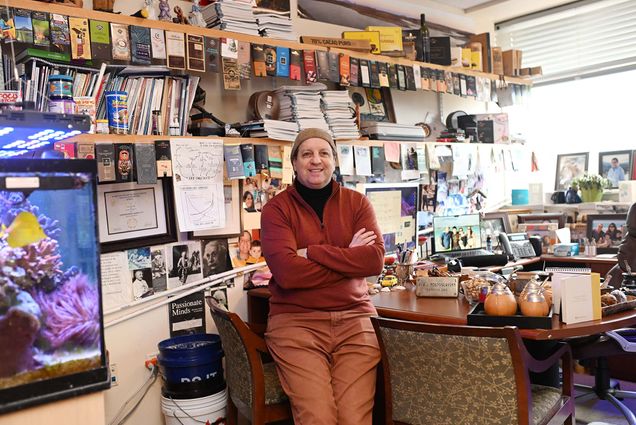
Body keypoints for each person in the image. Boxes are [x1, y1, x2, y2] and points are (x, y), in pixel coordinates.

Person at [261, 128, 384, 425]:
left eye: (323, 153)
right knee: (319, 417)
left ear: (334, 160)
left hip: (356, 320)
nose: (316, 161)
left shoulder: (358, 204)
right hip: (296, 323)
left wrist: (312, 252)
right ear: (294, 162)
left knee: (354, 419)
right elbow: (288, 274)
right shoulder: (275, 210)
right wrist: (346, 257)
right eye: (307, 154)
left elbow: (373, 261)